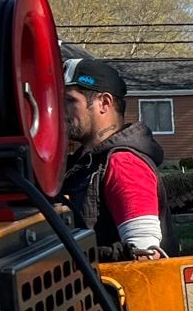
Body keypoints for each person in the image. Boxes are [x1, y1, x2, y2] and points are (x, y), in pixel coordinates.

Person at [62, 57, 177, 260]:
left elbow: (146, 256)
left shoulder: (124, 163)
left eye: (70, 101)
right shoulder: (87, 163)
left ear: (104, 102)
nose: (60, 111)